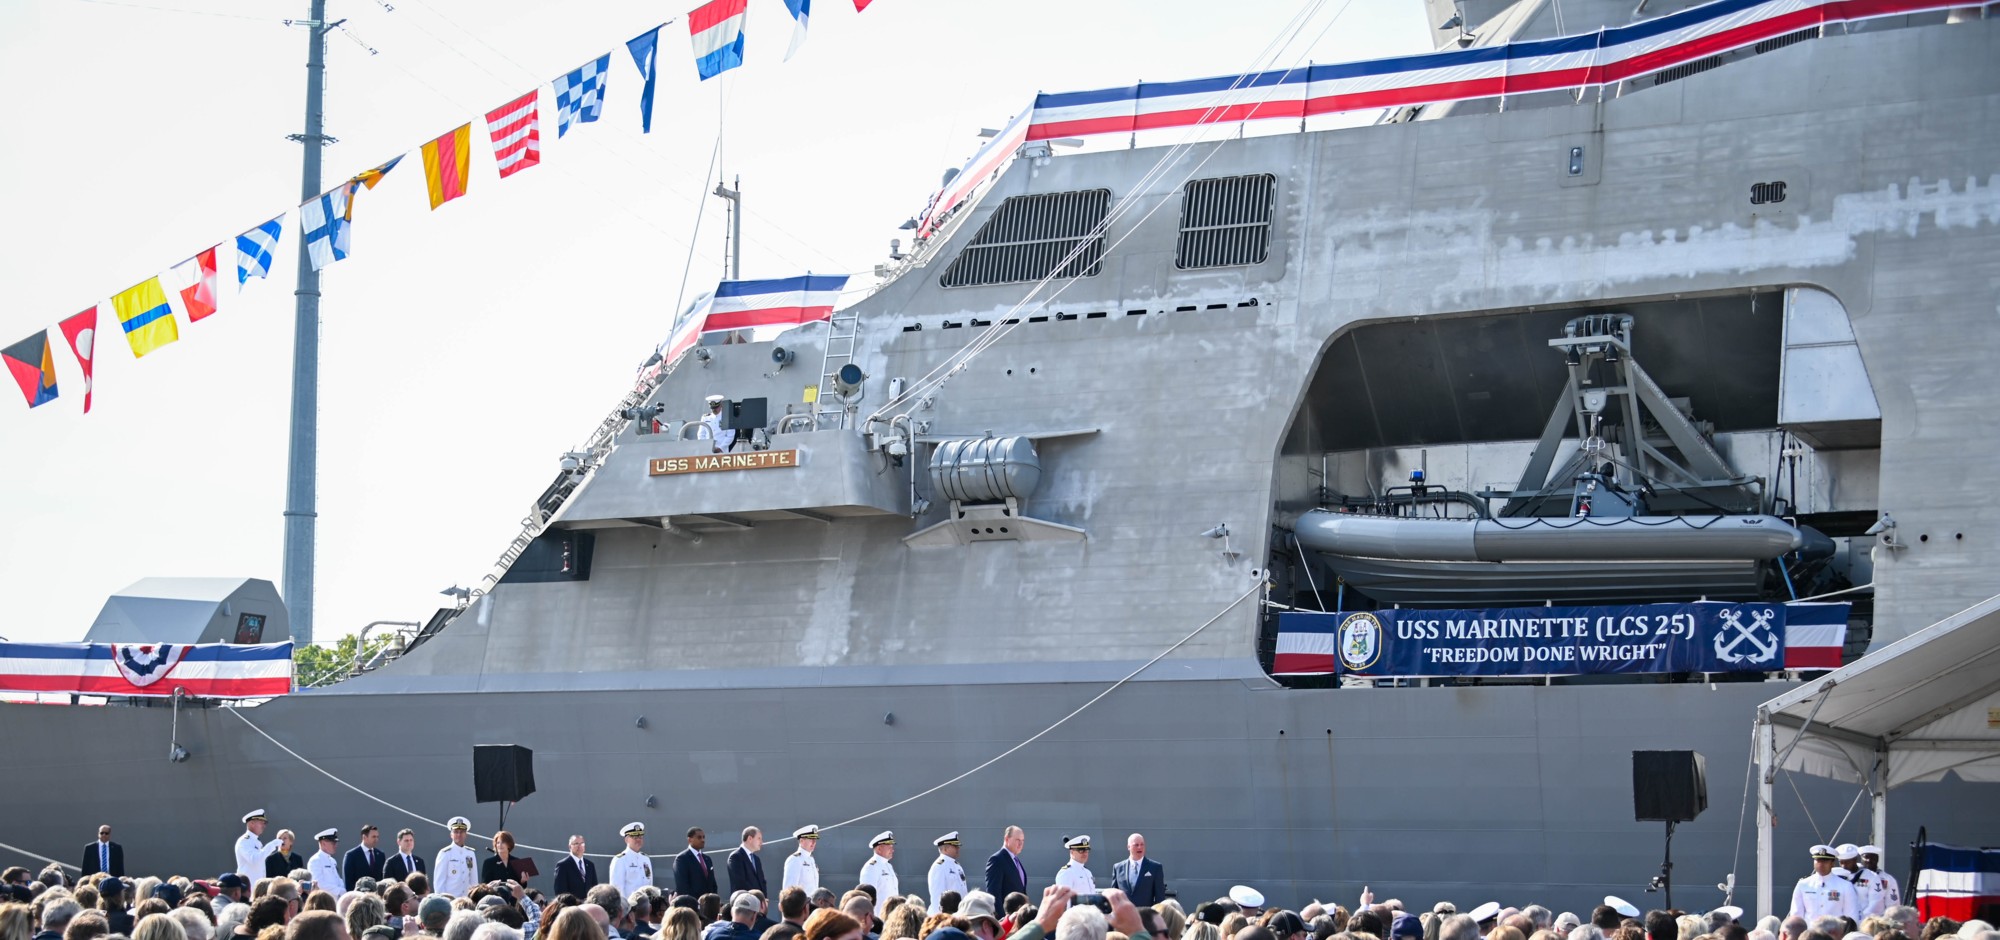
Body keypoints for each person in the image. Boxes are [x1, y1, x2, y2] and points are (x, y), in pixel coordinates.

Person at [1789, 846, 1857, 921]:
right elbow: (1796, 915)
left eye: (1825, 861)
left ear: (1832, 863)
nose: (1821, 864)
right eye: (1818, 860)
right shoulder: (1803, 884)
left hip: (1835, 931)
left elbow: (1851, 916)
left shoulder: (1845, 886)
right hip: (1810, 931)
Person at [1109, 837, 1162, 908]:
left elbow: (1160, 897)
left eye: (1142, 844)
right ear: (1128, 847)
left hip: (1146, 916)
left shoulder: (1155, 867)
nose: (1140, 847)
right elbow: (1114, 895)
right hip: (1124, 916)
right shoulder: (1118, 868)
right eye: (1136, 845)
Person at [436, 820, 480, 898]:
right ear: (451, 835)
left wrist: (474, 898)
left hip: (466, 899)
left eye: (462, 832)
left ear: (466, 834)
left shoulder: (470, 853)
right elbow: (439, 882)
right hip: (451, 900)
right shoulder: (445, 853)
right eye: (456, 832)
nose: (459, 834)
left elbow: (474, 879)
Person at [857, 835, 898, 920]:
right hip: (878, 919)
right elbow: (867, 896)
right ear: (879, 849)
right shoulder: (871, 867)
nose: (893, 850)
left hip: (891, 918)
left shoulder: (888, 866)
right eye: (889, 847)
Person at [238, 812, 285, 882]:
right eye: (261, 823)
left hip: (256, 885)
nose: (264, 826)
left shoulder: (256, 842)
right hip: (248, 886)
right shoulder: (244, 841)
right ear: (252, 823)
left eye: (265, 823)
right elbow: (255, 860)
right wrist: (272, 845)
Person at [984, 831, 1027, 904]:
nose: (1021, 844)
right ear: (1007, 839)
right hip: (1006, 914)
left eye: (1022, 840)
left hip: (1017, 913)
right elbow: (993, 893)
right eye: (1018, 840)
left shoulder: (1015, 860)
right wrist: (1001, 915)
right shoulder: (997, 859)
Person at [928, 836, 966, 916]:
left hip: (958, 914)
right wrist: (939, 919)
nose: (958, 848)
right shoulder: (939, 867)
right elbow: (937, 897)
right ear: (945, 849)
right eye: (955, 846)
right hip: (947, 917)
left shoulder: (957, 866)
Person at [672, 832, 715, 901]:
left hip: (708, 904)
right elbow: (682, 885)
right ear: (689, 840)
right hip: (692, 904)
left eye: (703, 837)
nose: (702, 840)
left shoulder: (707, 859)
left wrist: (714, 900)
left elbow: (712, 882)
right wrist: (693, 902)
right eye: (699, 837)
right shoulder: (682, 858)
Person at [727, 831, 766, 898]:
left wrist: (764, 898)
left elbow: (762, 882)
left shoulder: (757, 859)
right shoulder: (735, 857)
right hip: (744, 903)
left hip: (759, 904)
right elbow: (740, 882)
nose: (761, 842)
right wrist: (755, 898)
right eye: (759, 838)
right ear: (750, 839)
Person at [781, 829, 820, 897]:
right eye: (811, 839)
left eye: (815, 840)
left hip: (812, 905)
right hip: (801, 905)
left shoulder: (811, 859)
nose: (814, 842)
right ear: (801, 840)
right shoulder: (795, 859)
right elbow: (789, 890)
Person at [308, 832, 345, 896]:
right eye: (333, 843)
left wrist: (343, 889)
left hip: (336, 899)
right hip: (324, 900)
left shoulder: (332, 860)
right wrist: (339, 891)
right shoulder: (315, 860)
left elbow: (337, 879)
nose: (336, 845)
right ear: (323, 843)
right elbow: (318, 883)